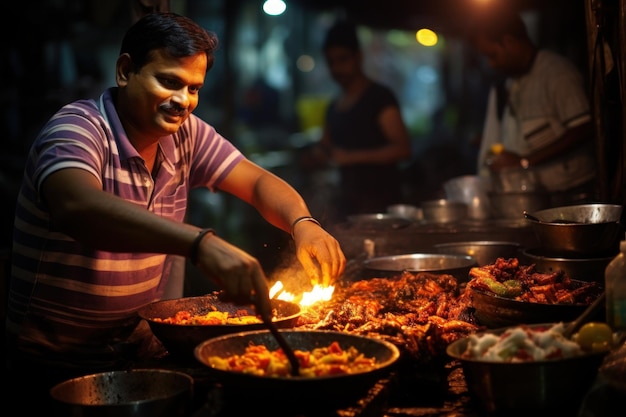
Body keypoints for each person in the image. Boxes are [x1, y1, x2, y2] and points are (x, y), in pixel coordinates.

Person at [3, 11, 346, 410]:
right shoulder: (77, 129)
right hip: (53, 369)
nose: (183, 101)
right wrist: (201, 244)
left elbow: (256, 182)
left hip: (142, 357)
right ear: (126, 70)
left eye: (193, 88)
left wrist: (303, 224)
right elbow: (76, 206)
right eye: (168, 81)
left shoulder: (188, 135)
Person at [471, 11, 597, 205]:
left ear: (509, 42)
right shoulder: (510, 85)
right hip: (536, 196)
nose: (491, 63)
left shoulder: (557, 73)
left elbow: (583, 129)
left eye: (493, 55)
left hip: (572, 195)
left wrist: (524, 161)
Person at [305, 20, 412, 221]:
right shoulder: (334, 106)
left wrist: (351, 157)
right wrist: (314, 157)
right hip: (347, 209)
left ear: (358, 57)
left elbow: (403, 149)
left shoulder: (380, 97)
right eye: (331, 62)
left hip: (382, 208)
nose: (337, 68)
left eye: (343, 59)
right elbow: (325, 148)